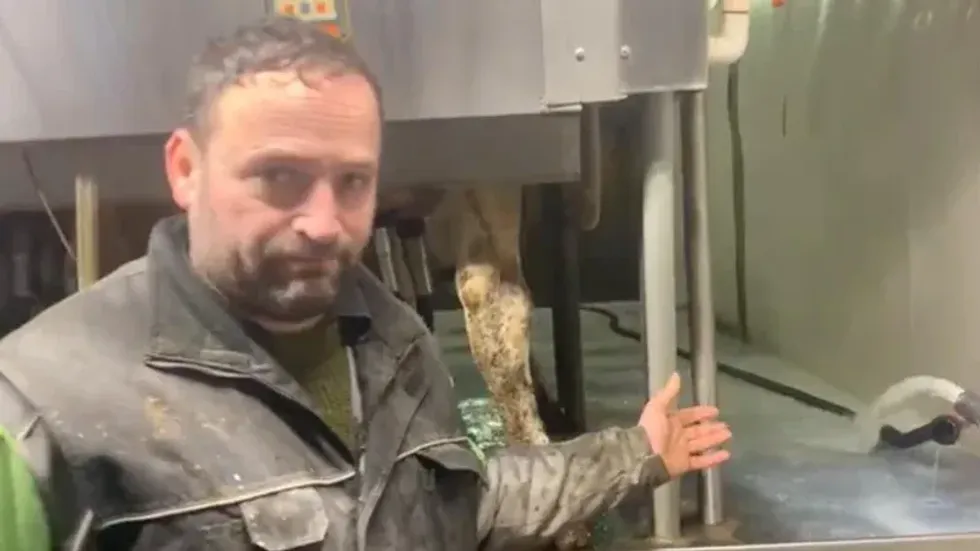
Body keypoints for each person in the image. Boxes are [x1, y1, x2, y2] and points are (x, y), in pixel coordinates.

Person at [0, 17, 732, 550]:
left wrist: (635, 453)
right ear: (185, 169)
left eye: (352, 182)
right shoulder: (41, 407)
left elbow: (462, 509)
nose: (323, 224)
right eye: (279, 176)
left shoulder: (392, 341)